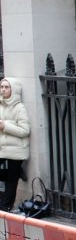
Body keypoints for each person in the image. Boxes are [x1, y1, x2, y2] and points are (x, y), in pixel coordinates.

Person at [0, 78, 31, 212]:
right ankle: (18, 171)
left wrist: (5, 126)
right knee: (7, 176)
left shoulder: (20, 108)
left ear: (13, 90)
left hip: (15, 151)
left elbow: (25, 131)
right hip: (2, 149)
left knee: (11, 181)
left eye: (7, 87)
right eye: (1, 87)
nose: (3, 90)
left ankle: (6, 207)